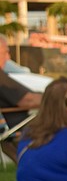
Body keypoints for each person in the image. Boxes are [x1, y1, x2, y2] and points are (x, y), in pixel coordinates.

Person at [0, 35, 42, 163]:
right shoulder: (1, 79)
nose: (9, 57)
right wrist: (56, 96)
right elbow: (28, 100)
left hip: (10, 132)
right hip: (17, 130)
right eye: (6, 52)